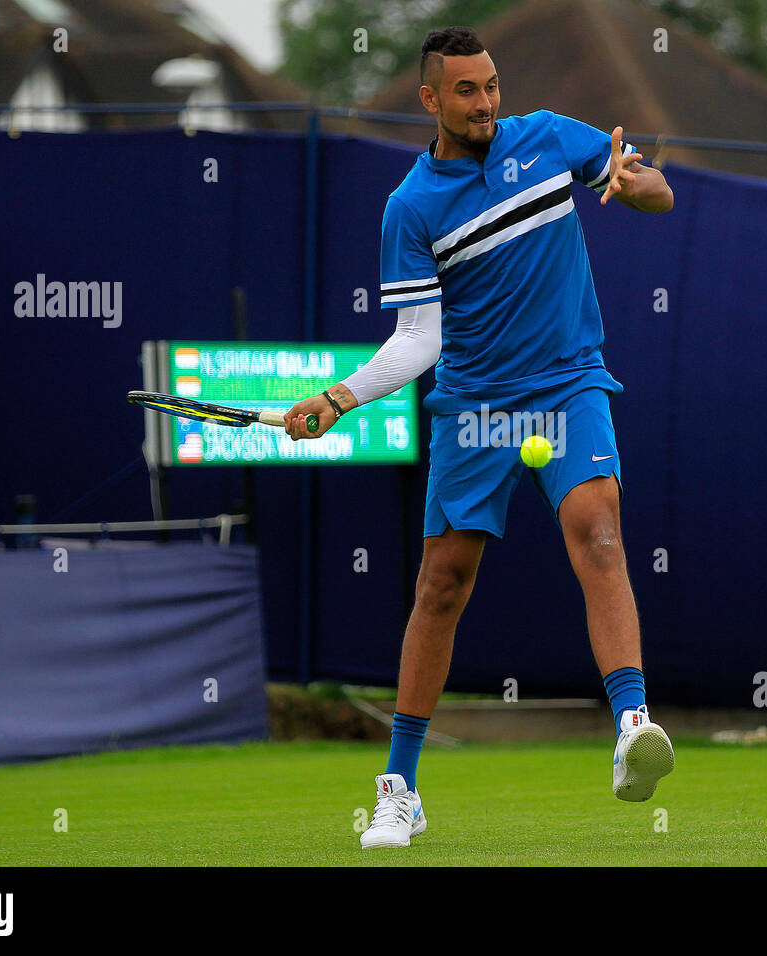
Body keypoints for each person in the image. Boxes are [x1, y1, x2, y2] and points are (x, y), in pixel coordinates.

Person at [283, 25, 675, 850]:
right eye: (466, 90)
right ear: (431, 99)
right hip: (477, 408)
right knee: (441, 586)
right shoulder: (410, 208)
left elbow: (654, 192)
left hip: (569, 383)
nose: (486, 101)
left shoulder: (550, 138)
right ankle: (400, 787)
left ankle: (632, 725)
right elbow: (419, 339)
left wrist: (636, 185)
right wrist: (342, 396)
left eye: (491, 84)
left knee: (598, 528)